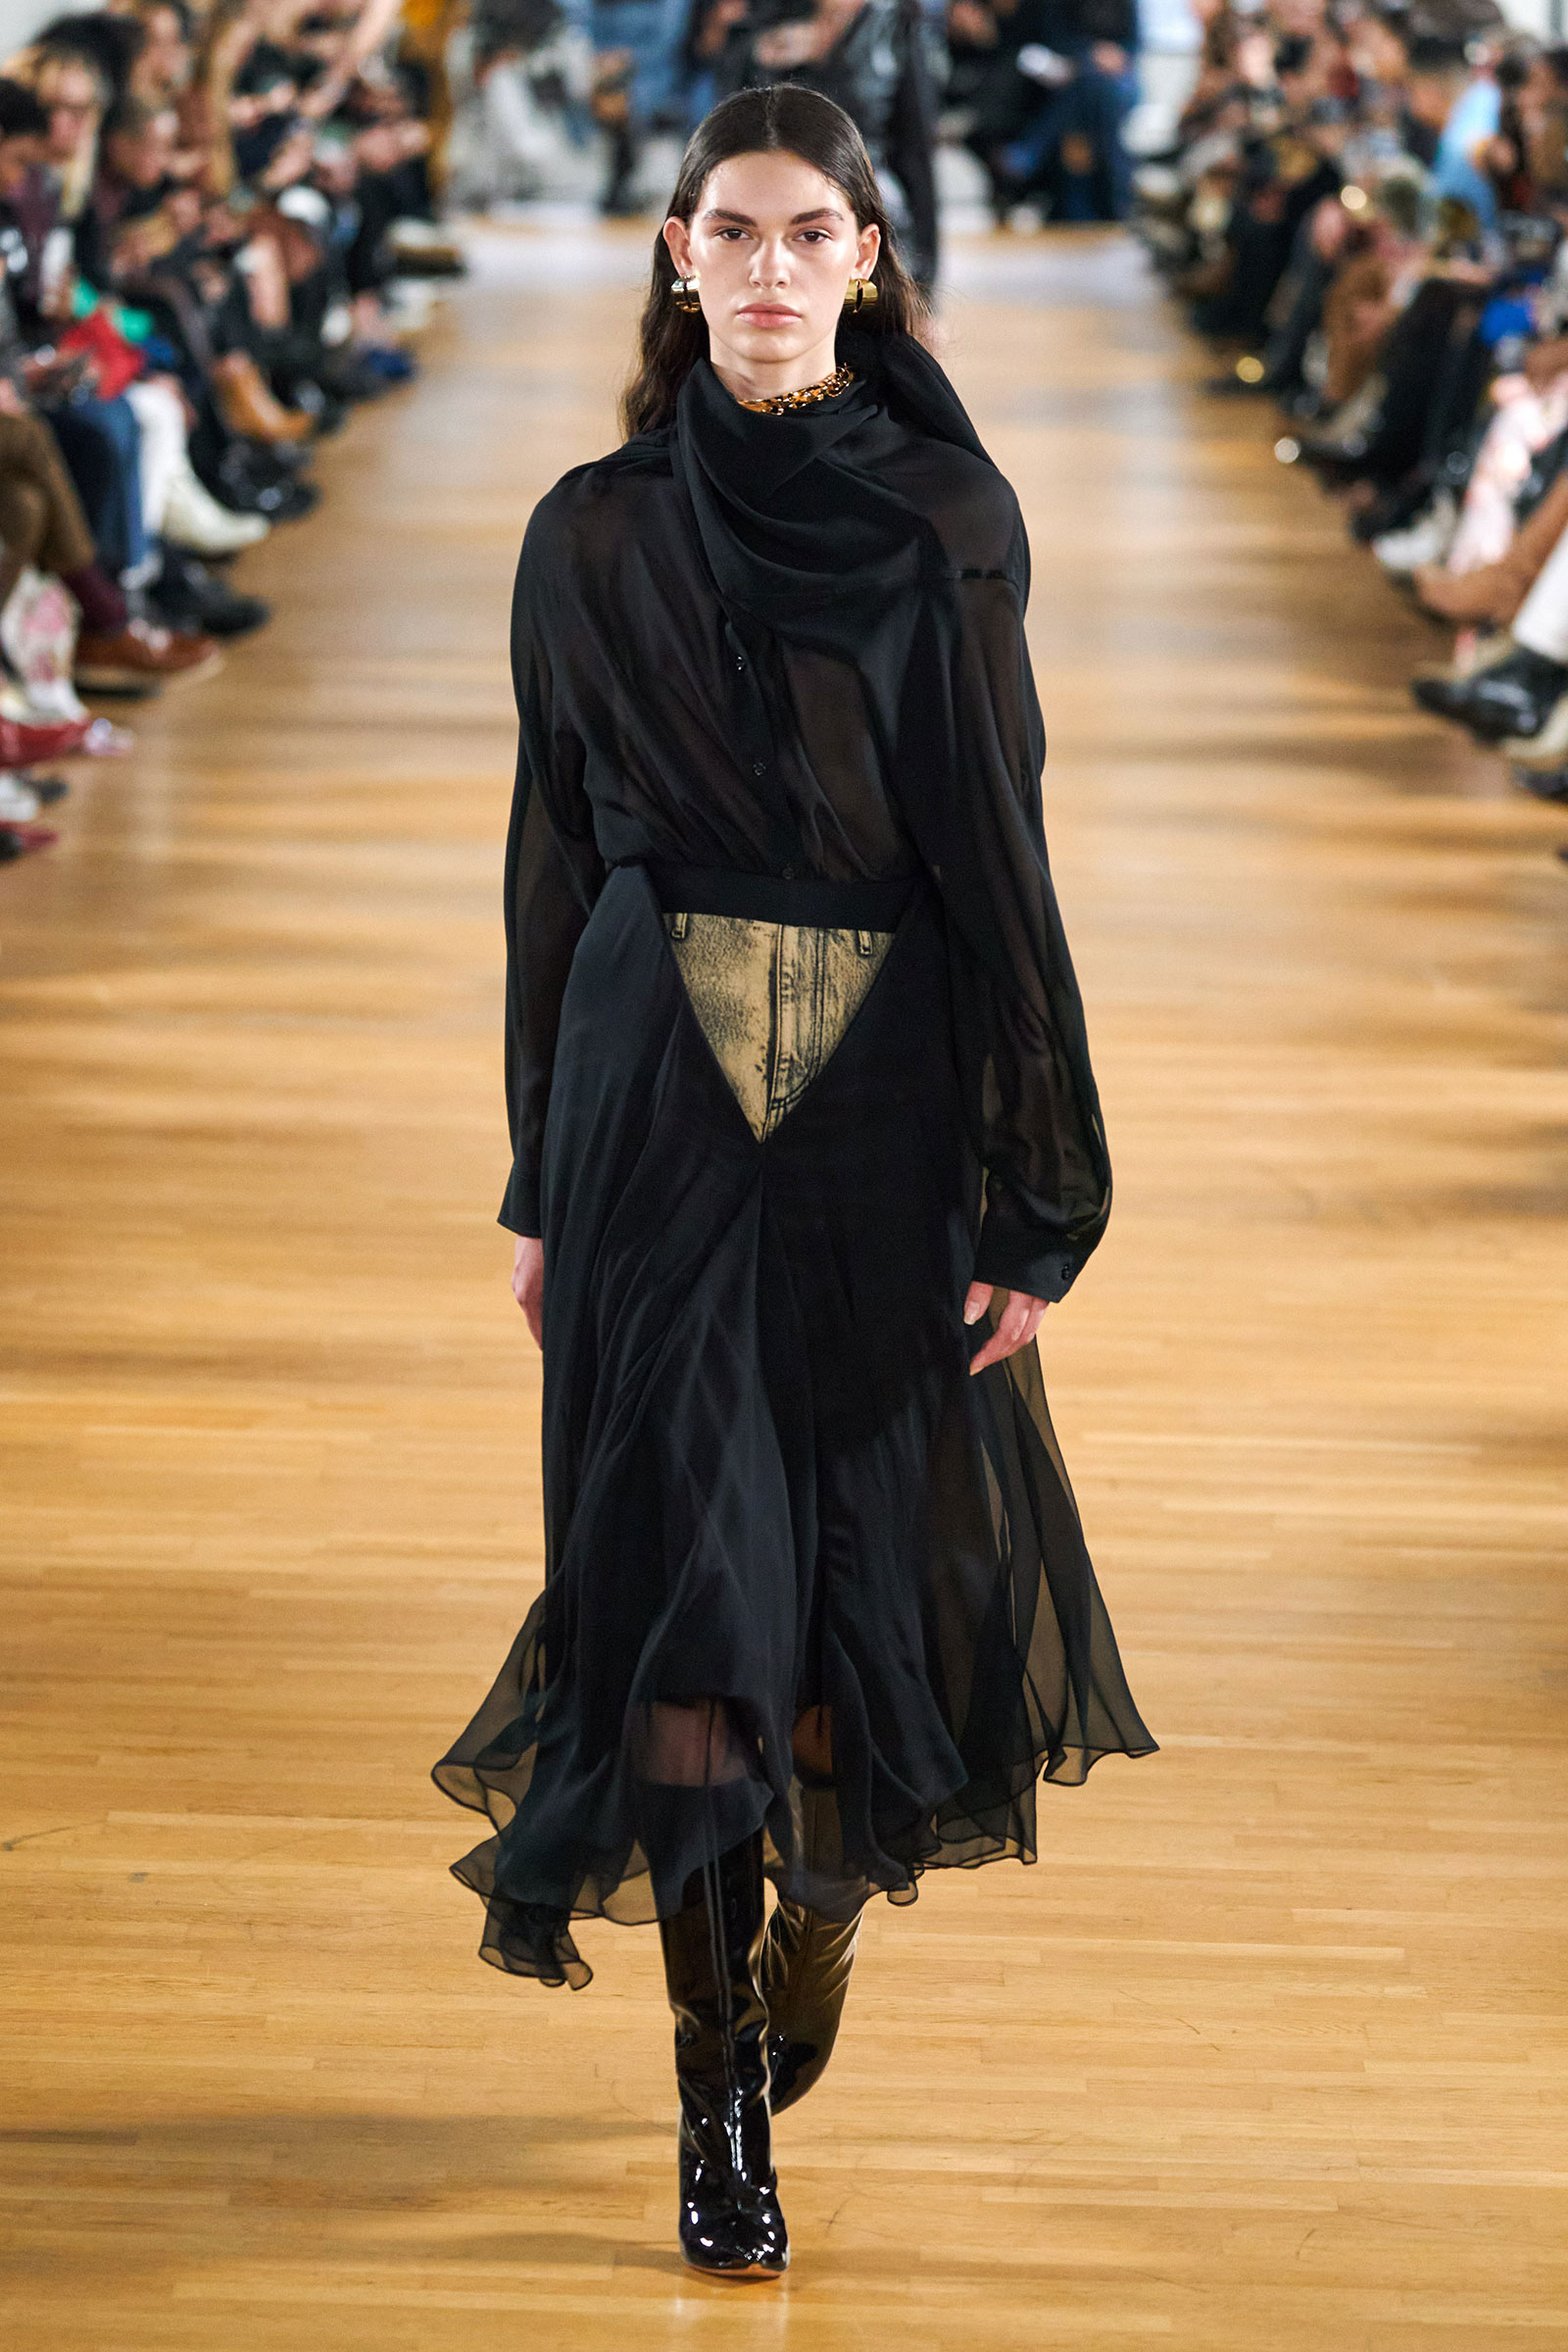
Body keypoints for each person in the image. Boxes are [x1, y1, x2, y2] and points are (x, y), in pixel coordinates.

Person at [432, 82, 1155, 2282]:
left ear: (864, 258)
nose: (766, 267)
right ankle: (712, 2090)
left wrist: (1041, 1185)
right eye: (730, 231)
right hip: (652, 1104)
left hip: (883, 1099)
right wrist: (540, 1171)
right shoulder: (587, 532)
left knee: (853, 1579)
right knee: (687, 1580)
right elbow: (550, 862)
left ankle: (810, 1915)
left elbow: (997, 845)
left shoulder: (944, 518)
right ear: (675, 253)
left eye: (805, 232)